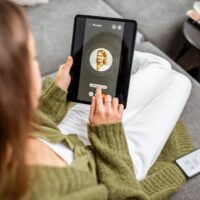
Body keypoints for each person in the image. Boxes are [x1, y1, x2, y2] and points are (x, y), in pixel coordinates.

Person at [0, 1, 194, 200]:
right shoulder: (46, 192)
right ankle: (116, 56)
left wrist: (58, 90)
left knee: (164, 70)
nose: (37, 69)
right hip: (113, 163)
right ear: (13, 86)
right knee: (178, 80)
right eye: (33, 59)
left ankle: (109, 57)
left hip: (67, 131)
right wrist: (108, 132)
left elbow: (36, 122)